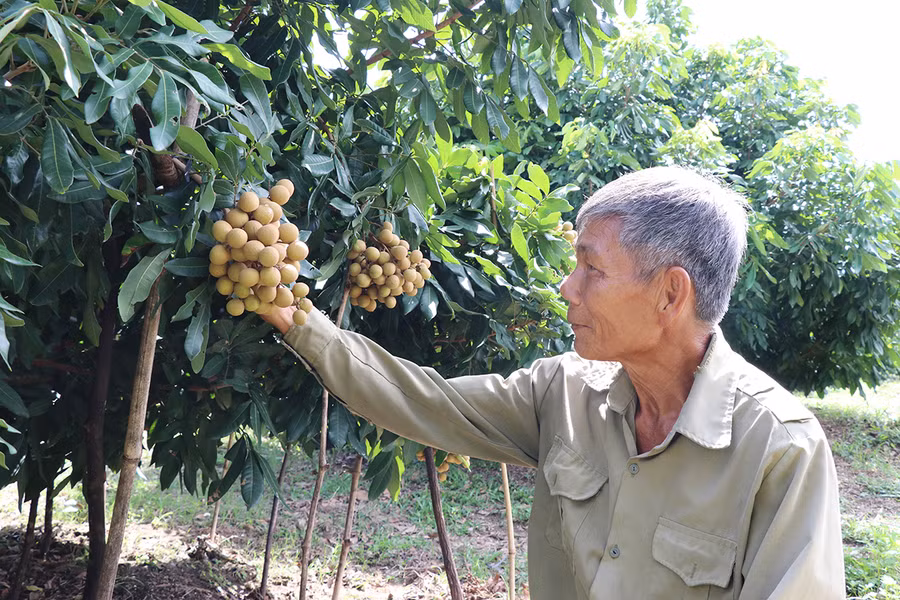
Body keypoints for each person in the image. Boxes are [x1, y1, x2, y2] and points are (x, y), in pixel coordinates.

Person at [262, 167, 845, 599]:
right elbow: (424, 401)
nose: (568, 287)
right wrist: (300, 321)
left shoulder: (779, 449)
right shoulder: (563, 392)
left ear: (671, 292)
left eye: (591, 268)